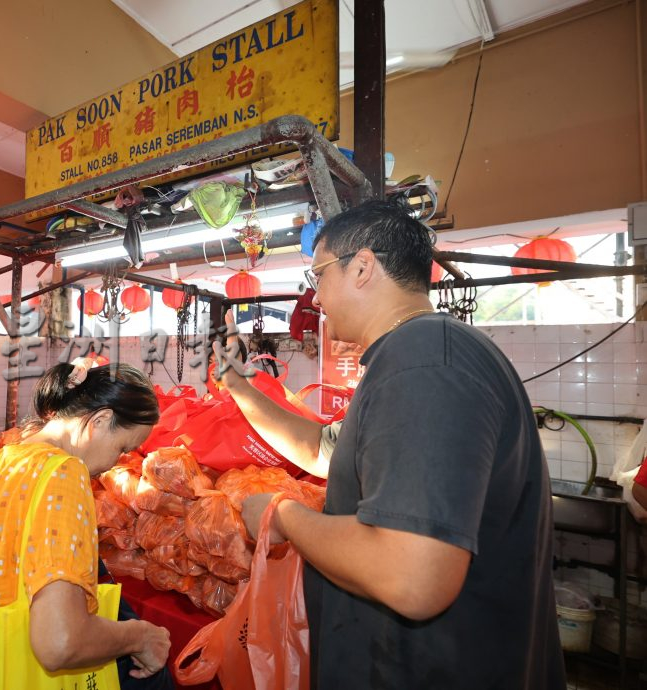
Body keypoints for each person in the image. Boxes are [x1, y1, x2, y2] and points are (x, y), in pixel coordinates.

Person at [214, 199, 565, 689]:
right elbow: (320, 449)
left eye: (318, 277)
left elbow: (412, 576)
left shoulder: (424, 363)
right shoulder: (414, 357)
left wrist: (284, 515)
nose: (314, 299)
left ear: (362, 267)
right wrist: (239, 386)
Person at [0, 362, 171, 689]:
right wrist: (141, 636)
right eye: (123, 447)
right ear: (99, 420)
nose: (118, 461)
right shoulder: (63, 474)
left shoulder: (8, 456)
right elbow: (60, 642)